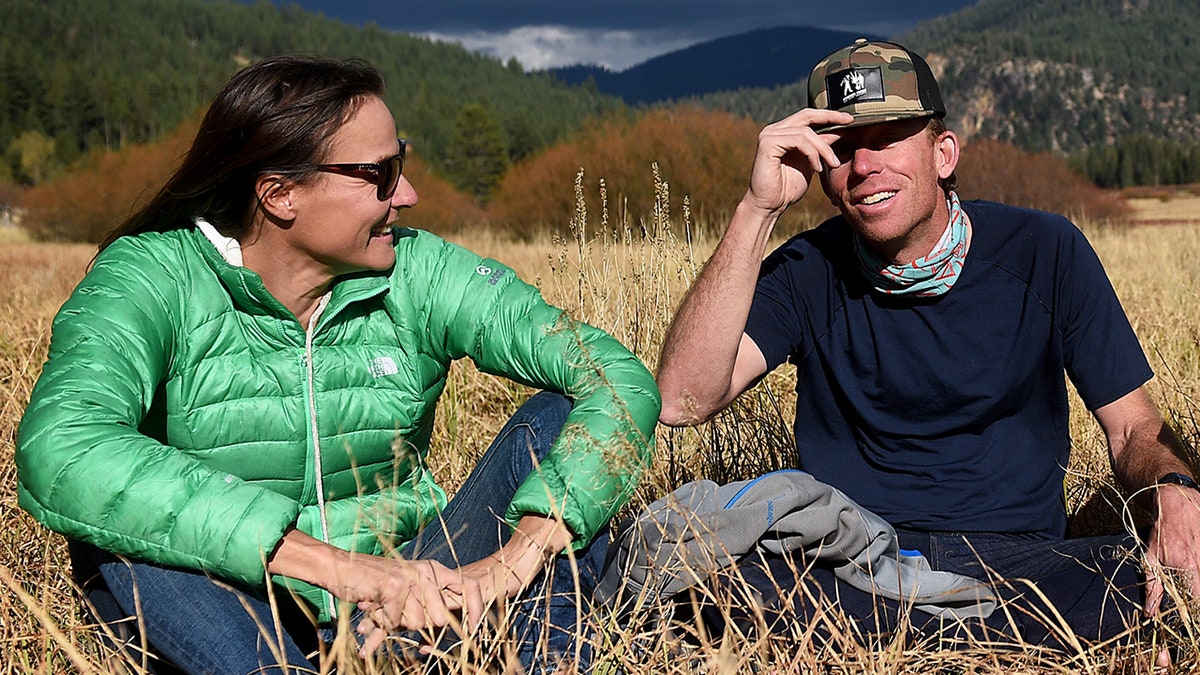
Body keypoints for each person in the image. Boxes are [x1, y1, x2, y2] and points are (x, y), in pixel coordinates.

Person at [16, 54, 660, 674]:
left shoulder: (420, 270)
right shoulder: (149, 276)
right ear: (279, 194)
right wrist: (335, 568)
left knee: (560, 415)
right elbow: (66, 448)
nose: (406, 193)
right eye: (379, 174)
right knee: (129, 532)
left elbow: (615, 379)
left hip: (414, 586)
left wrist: (509, 563)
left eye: (399, 162)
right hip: (230, 596)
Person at [655, 38, 1200, 654]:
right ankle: (979, 641)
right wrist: (757, 209)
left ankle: (924, 640)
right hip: (854, 563)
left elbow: (1132, 429)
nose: (864, 168)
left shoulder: (1045, 250)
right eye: (841, 151)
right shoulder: (808, 269)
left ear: (943, 153)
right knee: (707, 586)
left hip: (1021, 567)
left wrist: (1175, 493)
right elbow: (681, 399)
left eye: (885, 139)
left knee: (1160, 577)